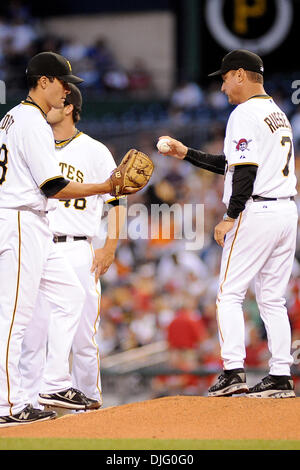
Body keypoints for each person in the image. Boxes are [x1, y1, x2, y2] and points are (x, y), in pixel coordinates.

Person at [0, 51, 136, 427]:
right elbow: (54, 186)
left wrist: (109, 237)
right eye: (62, 83)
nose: (65, 92)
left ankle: (54, 384)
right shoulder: (31, 122)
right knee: (16, 320)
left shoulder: (13, 118)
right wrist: (106, 185)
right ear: (43, 81)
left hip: (34, 225)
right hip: (21, 220)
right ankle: (7, 405)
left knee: (70, 296)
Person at [157, 49, 298, 398]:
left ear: (239, 74)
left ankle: (233, 371)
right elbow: (233, 163)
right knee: (272, 300)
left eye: (223, 78)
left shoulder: (244, 113)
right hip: (285, 211)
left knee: (228, 295)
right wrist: (186, 153)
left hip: (256, 211)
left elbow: (245, 172)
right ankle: (280, 375)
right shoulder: (277, 113)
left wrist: (230, 216)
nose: (221, 87)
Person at [20, 84, 126, 408]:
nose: (48, 106)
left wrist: (110, 247)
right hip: (40, 246)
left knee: (83, 337)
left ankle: (90, 404)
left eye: (57, 101)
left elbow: (117, 200)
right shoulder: (39, 146)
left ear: (69, 107)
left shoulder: (94, 151)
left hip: (79, 248)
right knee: (33, 334)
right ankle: (28, 404)